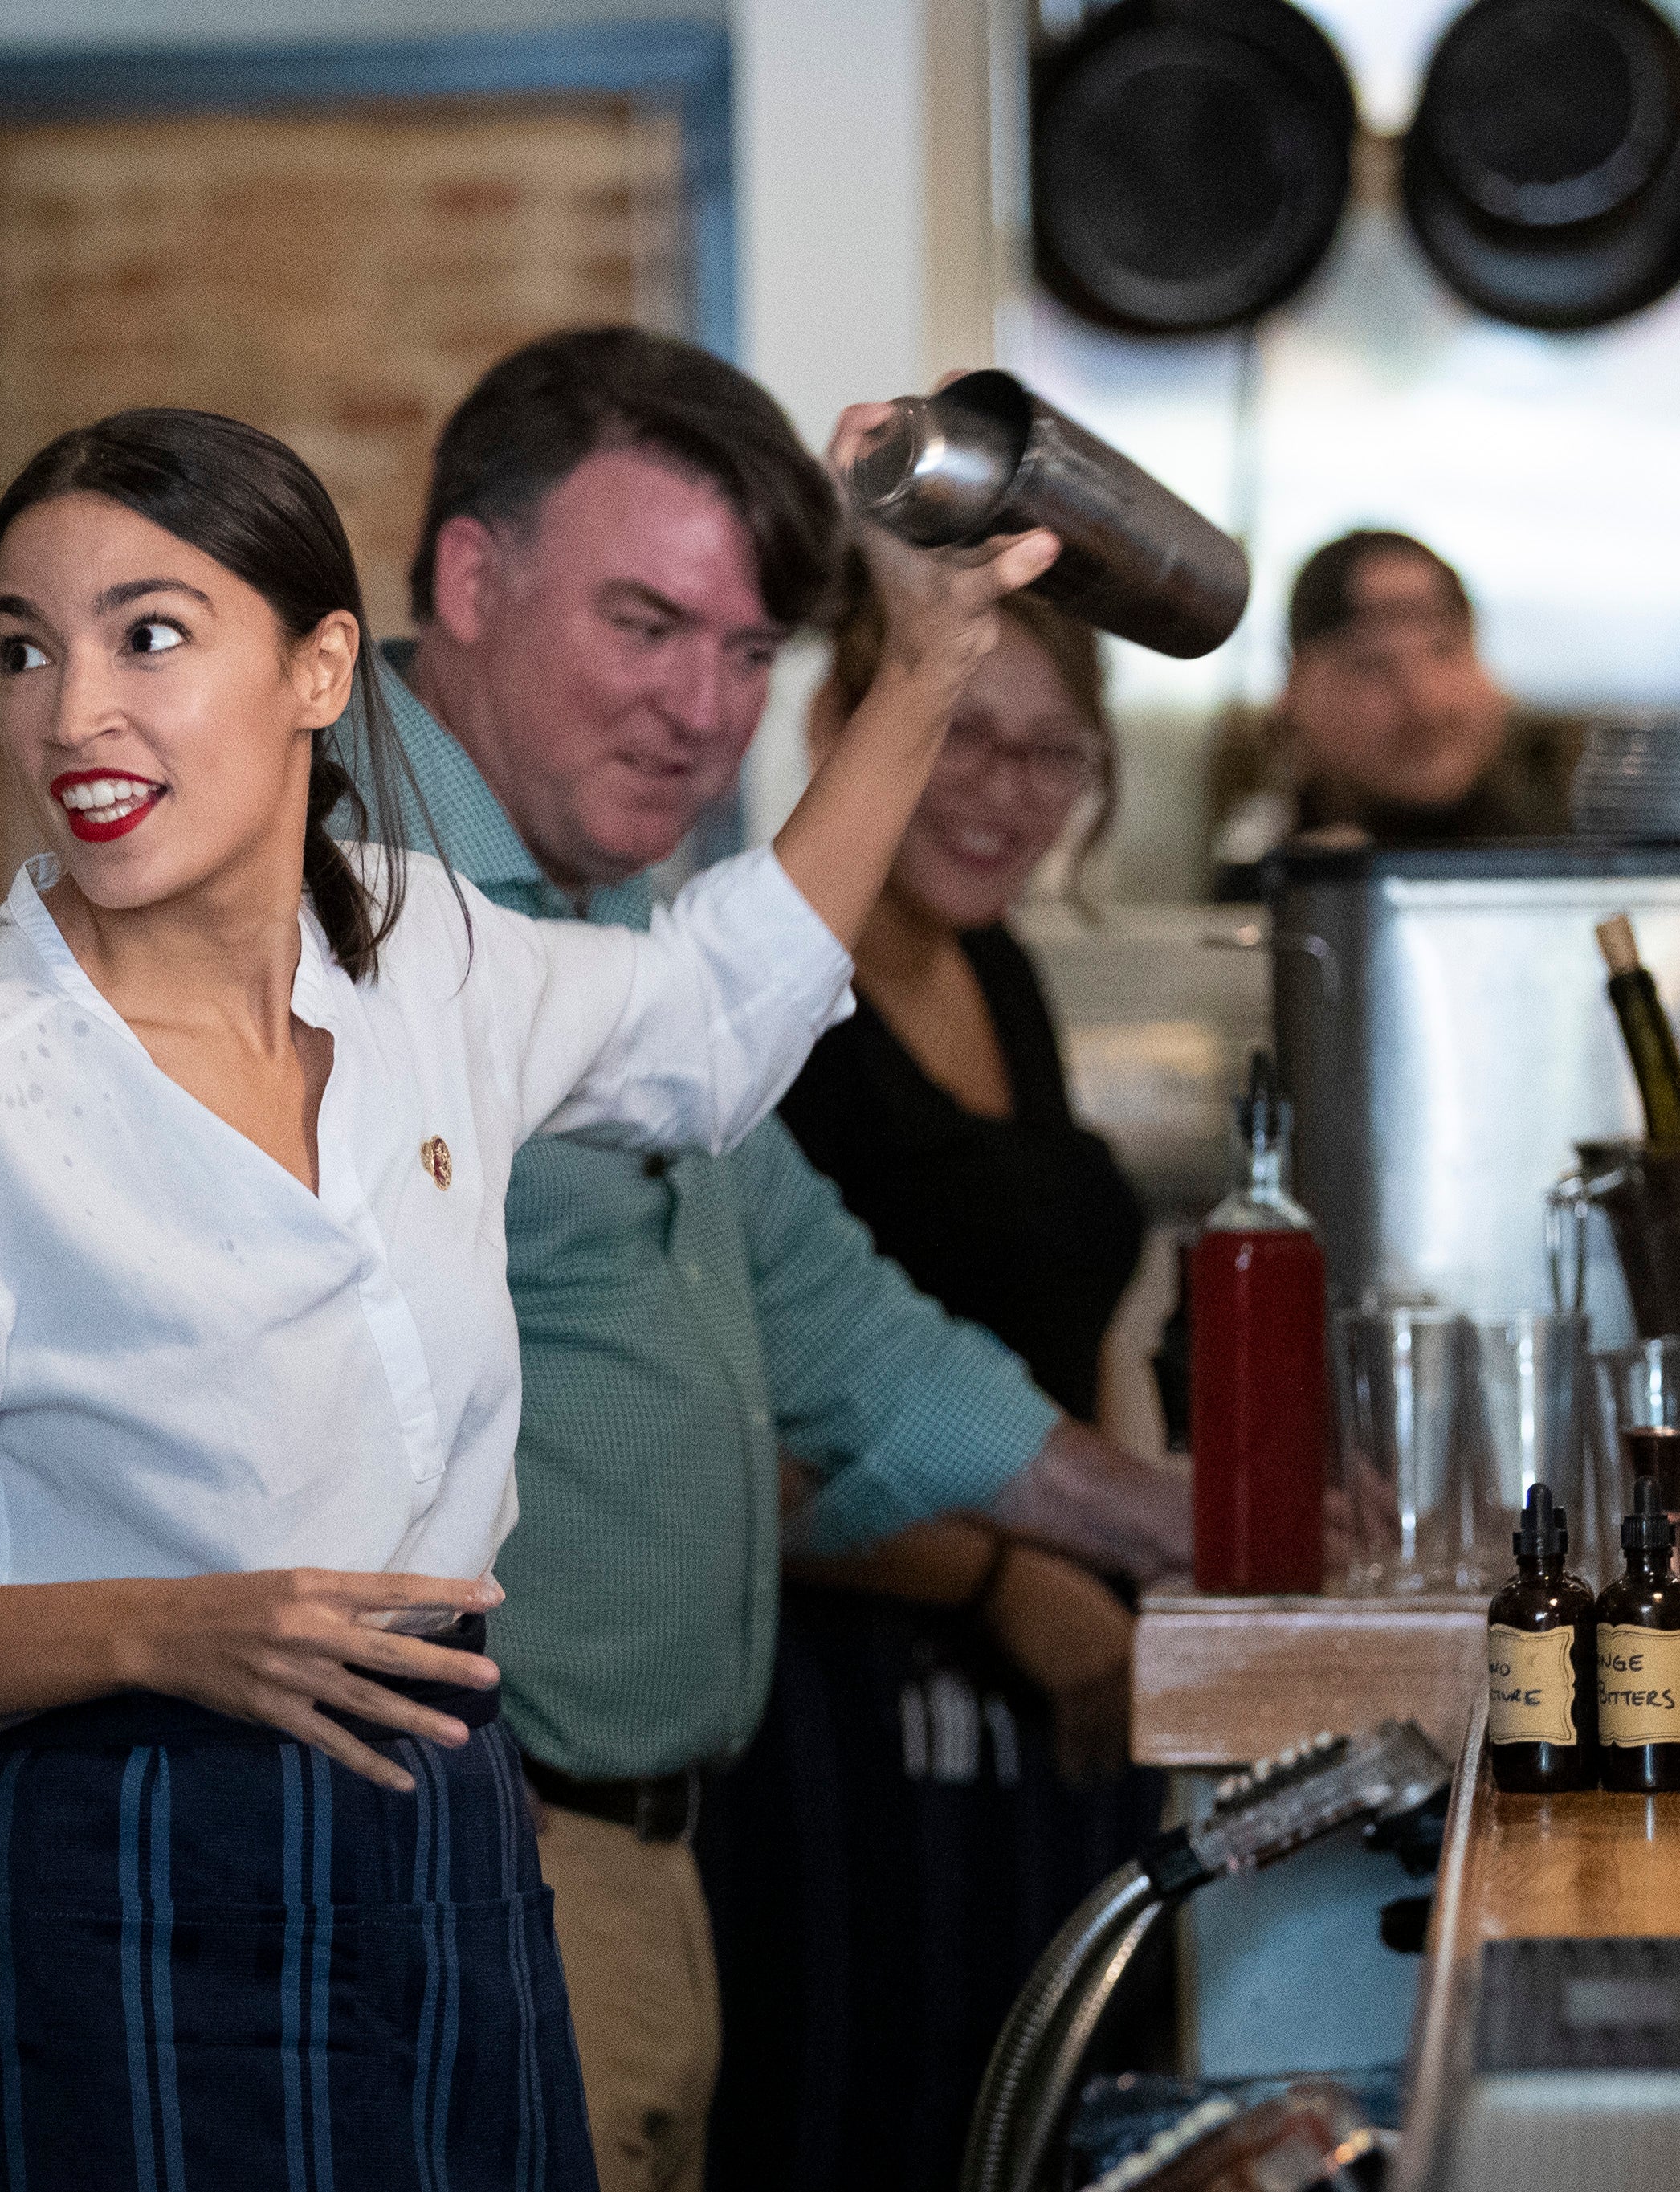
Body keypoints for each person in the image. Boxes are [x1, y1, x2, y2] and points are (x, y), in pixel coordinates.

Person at [0, 405, 1052, 2191]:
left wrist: (922, 659)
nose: (75, 711)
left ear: (318, 668)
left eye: (149, 634)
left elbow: (707, 1021)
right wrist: (161, 1628)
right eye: (25, 646)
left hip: (451, 1832)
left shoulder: (420, 952)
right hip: (126, 1870)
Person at [377, 327, 1193, 2192]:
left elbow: (827, 1306)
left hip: (635, 1858)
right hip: (452, 1863)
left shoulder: (604, 912)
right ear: (470, 579)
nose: (697, 706)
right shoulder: (361, 896)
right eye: (644, 625)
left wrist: (1150, 1514)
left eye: (746, 650)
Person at [694, 569, 1168, 2191]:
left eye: (1053, 754)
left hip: (1039, 1705)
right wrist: (1001, 1574)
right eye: (964, 735)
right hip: (825, 1717)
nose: (1006, 794)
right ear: (840, 723)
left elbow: (1036, 1323)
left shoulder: (1000, 975)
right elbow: (717, 1432)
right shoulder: (761, 1012)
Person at [1206, 529, 1575, 893]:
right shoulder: (1265, 879)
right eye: (1371, 664)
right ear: (1296, 693)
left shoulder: (1567, 868)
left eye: (1445, 650)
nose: (1426, 704)